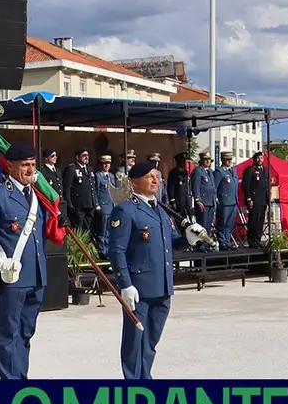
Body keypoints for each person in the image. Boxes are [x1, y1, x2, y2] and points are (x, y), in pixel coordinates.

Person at [107, 161, 206, 379]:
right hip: (139, 289)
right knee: (134, 342)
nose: (155, 180)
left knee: (150, 342)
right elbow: (116, 251)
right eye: (149, 176)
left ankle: (145, 379)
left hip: (162, 286)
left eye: (156, 176)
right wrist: (126, 284)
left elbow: (169, 243)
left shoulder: (161, 210)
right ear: (134, 182)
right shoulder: (125, 211)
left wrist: (188, 239)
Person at [0, 144, 49, 380]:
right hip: (11, 277)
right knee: (9, 333)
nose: (30, 169)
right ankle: (10, 384)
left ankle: (20, 379)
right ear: (10, 166)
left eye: (33, 165)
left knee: (25, 331)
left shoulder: (38, 195)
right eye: (25, 165)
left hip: (35, 276)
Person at [62, 147, 97, 231]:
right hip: (78, 206)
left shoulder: (90, 169)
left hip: (90, 204)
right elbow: (67, 188)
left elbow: (93, 187)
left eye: (87, 155)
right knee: (79, 228)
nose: (87, 157)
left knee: (88, 228)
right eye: (84, 155)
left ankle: (86, 244)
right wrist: (69, 204)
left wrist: (95, 202)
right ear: (77, 157)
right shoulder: (72, 169)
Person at [241, 151, 270, 248]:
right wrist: (249, 198)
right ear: (254, 159)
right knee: (254, 220)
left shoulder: (265, 170)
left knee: (260, 221)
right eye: (258, 158)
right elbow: (245, 185)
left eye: (261, 158)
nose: (260, 160)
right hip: (254, 199)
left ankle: (258, 239)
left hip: (263, 199)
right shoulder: (250, 170)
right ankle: (251, 240)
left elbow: (266, 185)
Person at [214, 152, 240, 249]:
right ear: (223, 160)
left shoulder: (233, 171)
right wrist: (217, 200)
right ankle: (222, 242)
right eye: (227, 159)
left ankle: (227, 241)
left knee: (230, 223)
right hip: (224, 201)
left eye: (230, 159)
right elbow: (215, 187)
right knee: (222, 223)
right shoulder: (219, 172)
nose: (229, 161)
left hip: (233, 201)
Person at [190, 152, 217, 241]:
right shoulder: (198, 171)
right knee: (202, 225)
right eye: (205, 160)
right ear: (201, 160)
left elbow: (213, 186)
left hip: (210, 201)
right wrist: (198, 200)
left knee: (208, 225)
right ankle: (201, 244)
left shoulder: (210, 172)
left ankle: (207, 242)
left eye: (208, 160)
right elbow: (196, 187)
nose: (207, 161)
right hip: (203, 202)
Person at [93, 154, 116, 250]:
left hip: (111, 206)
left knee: (110, 230)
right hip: (103, 206)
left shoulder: (111, 176)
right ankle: (102, 250)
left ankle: (108, 249)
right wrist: (97, 204)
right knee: (102, 230)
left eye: (108, 163)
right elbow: (95, 191)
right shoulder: (98, 176)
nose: (107, 165)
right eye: (104, 163)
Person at [38, 148, 64, 224]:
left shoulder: (58, 170)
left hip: (60, 202)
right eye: (52, 156)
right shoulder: (42, 171)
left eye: (56, 155)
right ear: (46, 158)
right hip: (50, 203)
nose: (55, 157)